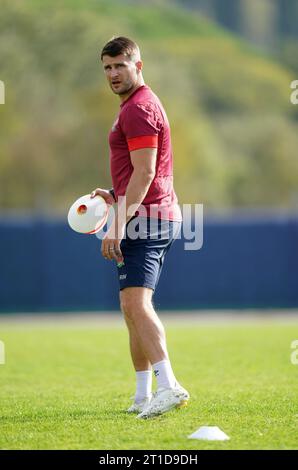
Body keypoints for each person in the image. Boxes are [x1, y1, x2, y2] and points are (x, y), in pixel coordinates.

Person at [90, 36, 189, 419]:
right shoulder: (133, 106)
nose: (113, 74)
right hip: (145, 213)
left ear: (138, 66)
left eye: (120, 66)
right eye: (107, 67)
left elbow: (147, 172)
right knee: (130, 307)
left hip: (146, 219)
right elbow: (142, 171)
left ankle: (169, 386)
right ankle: (143, 396)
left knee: (136, 303)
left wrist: (116, 223)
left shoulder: (138, 108)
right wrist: (116, 194)